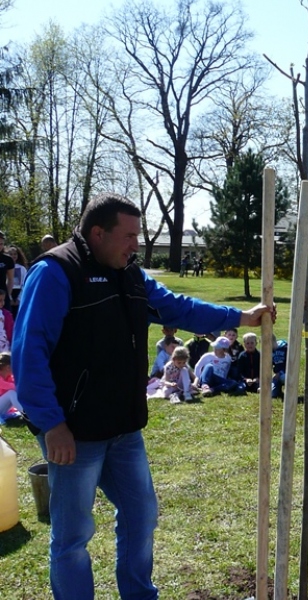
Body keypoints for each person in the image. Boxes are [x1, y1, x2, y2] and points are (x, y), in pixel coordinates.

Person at [11, 192, 272, 600]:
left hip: (123, 428)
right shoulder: (56, 272)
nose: (137, 244)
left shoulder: (130, 273)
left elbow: (176, 308)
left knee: (141, 514)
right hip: (74, 433)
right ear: (98, 233)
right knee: (73, 535)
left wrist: (238, 317)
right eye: (129, 235)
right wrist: (51, 424)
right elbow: (29, 352)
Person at [0, 352, 24, 424]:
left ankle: (27, 411)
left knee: (13, 392)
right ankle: (27, 414)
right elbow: (13, 387)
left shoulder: (9, 377)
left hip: (2, 406)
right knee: (11, 393)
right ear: (8, 367)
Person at [9, 245, 28, 317]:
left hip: (19, 293)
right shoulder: (5, 267)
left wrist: (19, 298)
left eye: (15, 254)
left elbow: (25, 283)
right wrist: (9, 298)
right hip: (9, 293)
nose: (13, 256)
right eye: (11, 254)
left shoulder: (22, 268)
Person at [0, 231, 14, 311]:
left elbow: (11, 279)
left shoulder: (7, 259)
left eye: (1, 244)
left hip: (3, 297)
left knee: (6, 321)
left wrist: (7, 295)